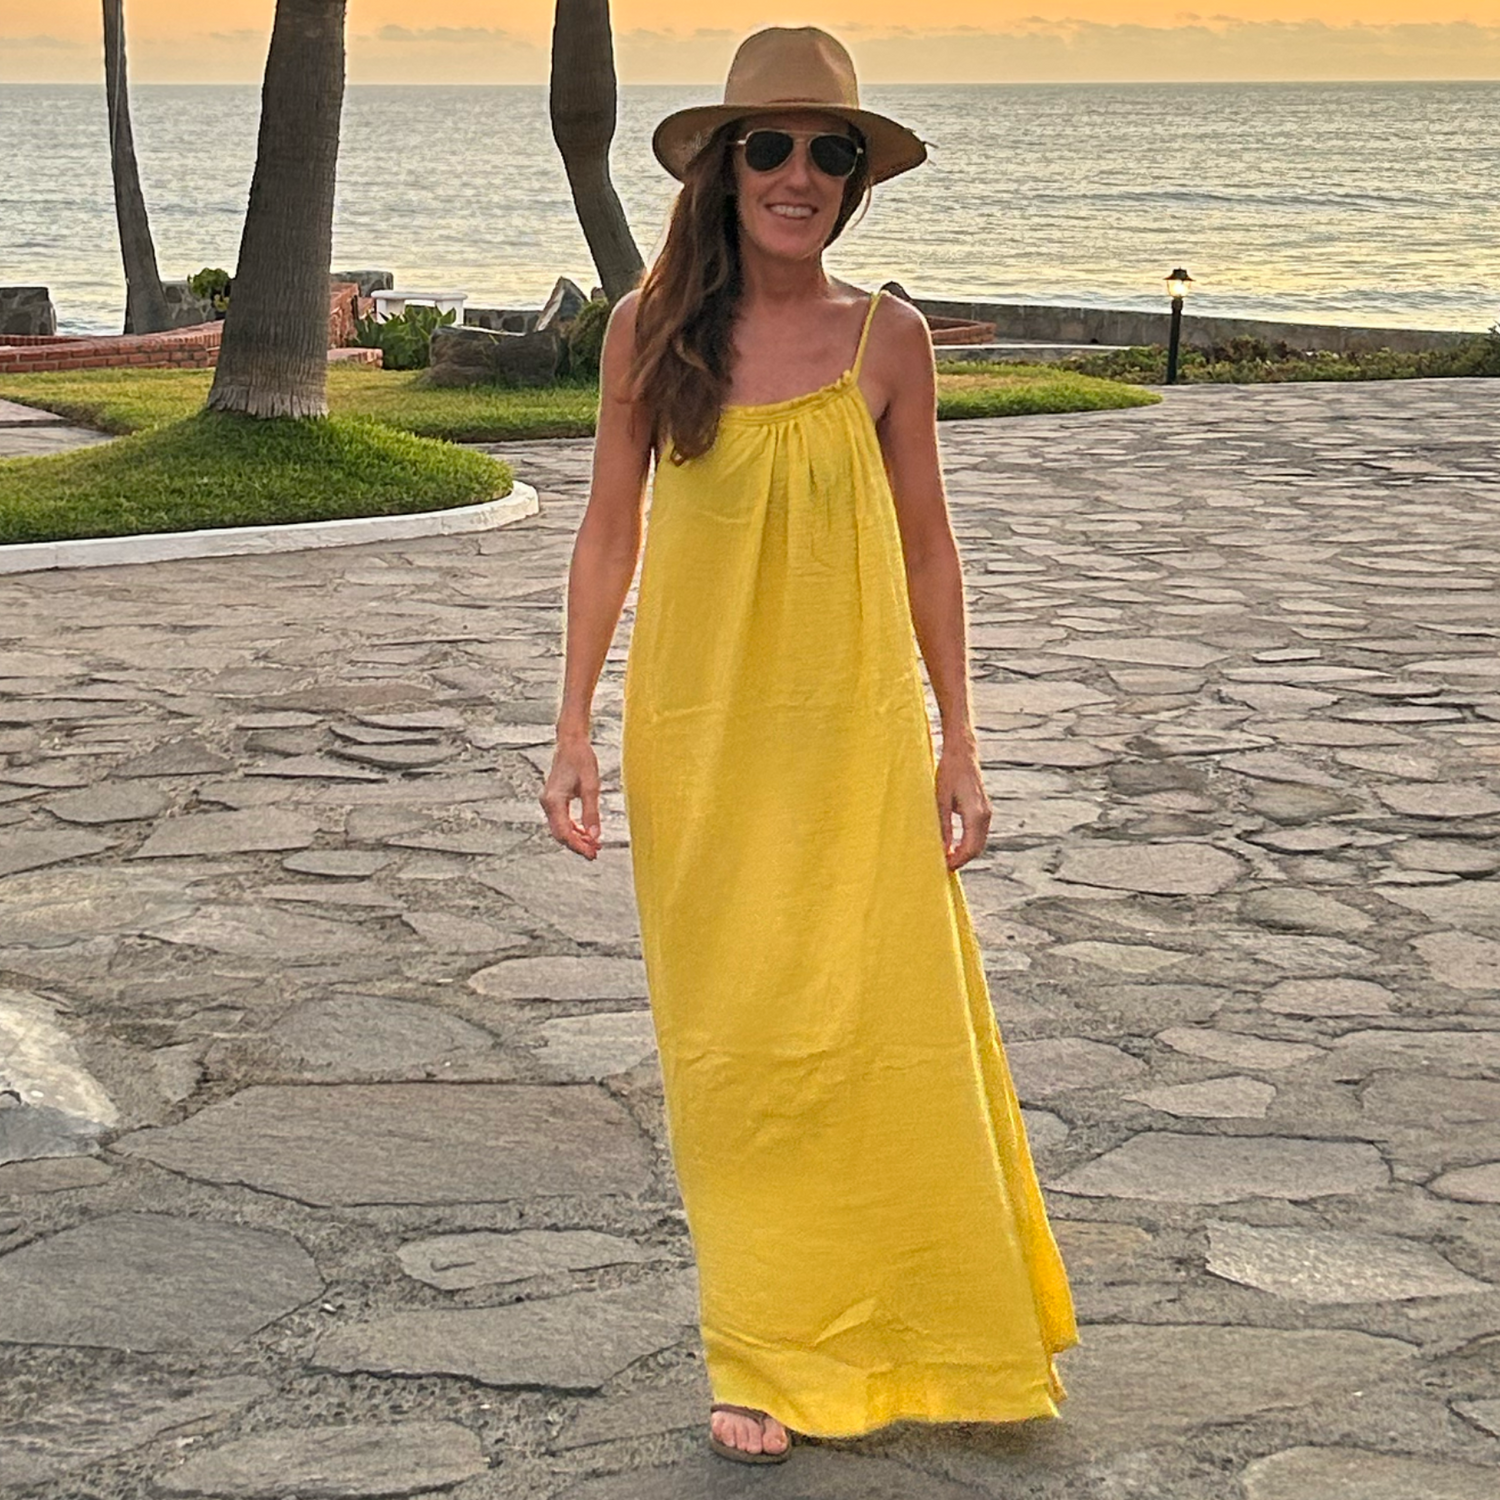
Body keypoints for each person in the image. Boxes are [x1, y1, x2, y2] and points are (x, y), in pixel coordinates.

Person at [541, 24, 1077, 1467]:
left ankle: (933, 1328)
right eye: (766, 148)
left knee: (883, 1039)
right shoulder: (649, 330)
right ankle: (764, 1350)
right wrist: (572, 727)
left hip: (856, 747)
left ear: (854, 180)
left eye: (826, 153)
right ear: (723, 172)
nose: (795, 175)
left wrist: (963, 737)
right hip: (700, 745)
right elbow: (607, 534)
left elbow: (930, 550)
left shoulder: (886, 338)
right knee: (741, 1055)